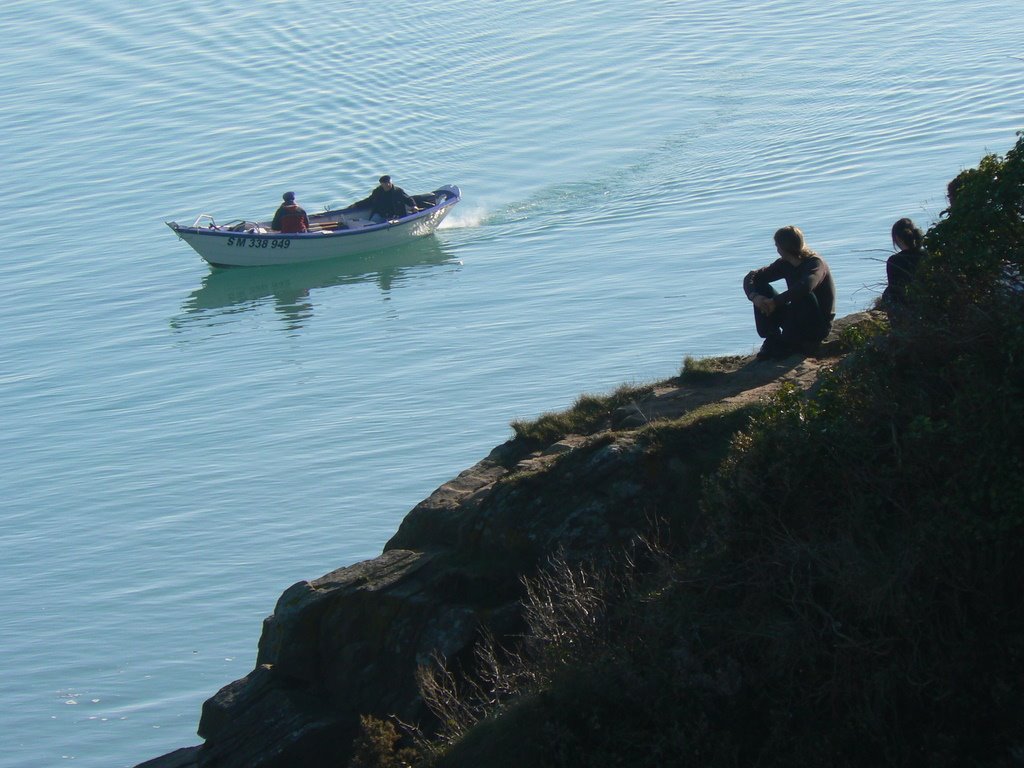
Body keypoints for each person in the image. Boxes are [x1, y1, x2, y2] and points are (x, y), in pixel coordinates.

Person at [743, 225, 836, 360]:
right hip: (796, 317)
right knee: (761, 287)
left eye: (777, 246)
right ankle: (772, 337)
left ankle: (792, 341)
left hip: (817, 324)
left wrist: (776, 301)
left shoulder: (815, 263)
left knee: (803, 294)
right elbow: (753, 277)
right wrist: (755, 297)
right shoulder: (784, 264)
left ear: (782, 248)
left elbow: (806, 286)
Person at [881, 218, 925, 307]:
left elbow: (894, 290)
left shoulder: (894, 261)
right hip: (929, 297)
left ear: (897, 238)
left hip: (908, 304)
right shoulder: (927, 254)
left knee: (887, 293)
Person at [348, 175, 419, 222]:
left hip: (395, 215)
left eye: (389, 183)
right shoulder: (377, 192)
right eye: (385, 183)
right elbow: (369, 201)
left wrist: (414, 206)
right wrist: (356, 205)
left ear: (391, 182)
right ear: (381, 184)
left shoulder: (398, 191)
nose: (387, 185)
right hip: (381, 214)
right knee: (373, 222)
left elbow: (408, 199)